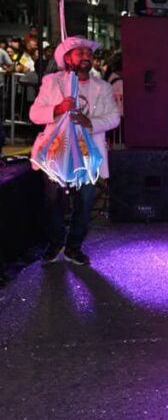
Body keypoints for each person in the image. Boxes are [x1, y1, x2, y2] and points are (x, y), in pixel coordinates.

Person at [30, 36, 120, 265]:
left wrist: (90, 123)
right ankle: (56, 242)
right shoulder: (52, 82)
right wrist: (58, 108)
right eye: (80, 53)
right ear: (67, 58)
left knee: (86, 201)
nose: (86, 56)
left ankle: (74, 246)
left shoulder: (103, 87)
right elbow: (34, 114)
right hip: (56, 153)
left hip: (88, 155)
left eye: (88, 53)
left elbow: (113, 118)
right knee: (53, 200)